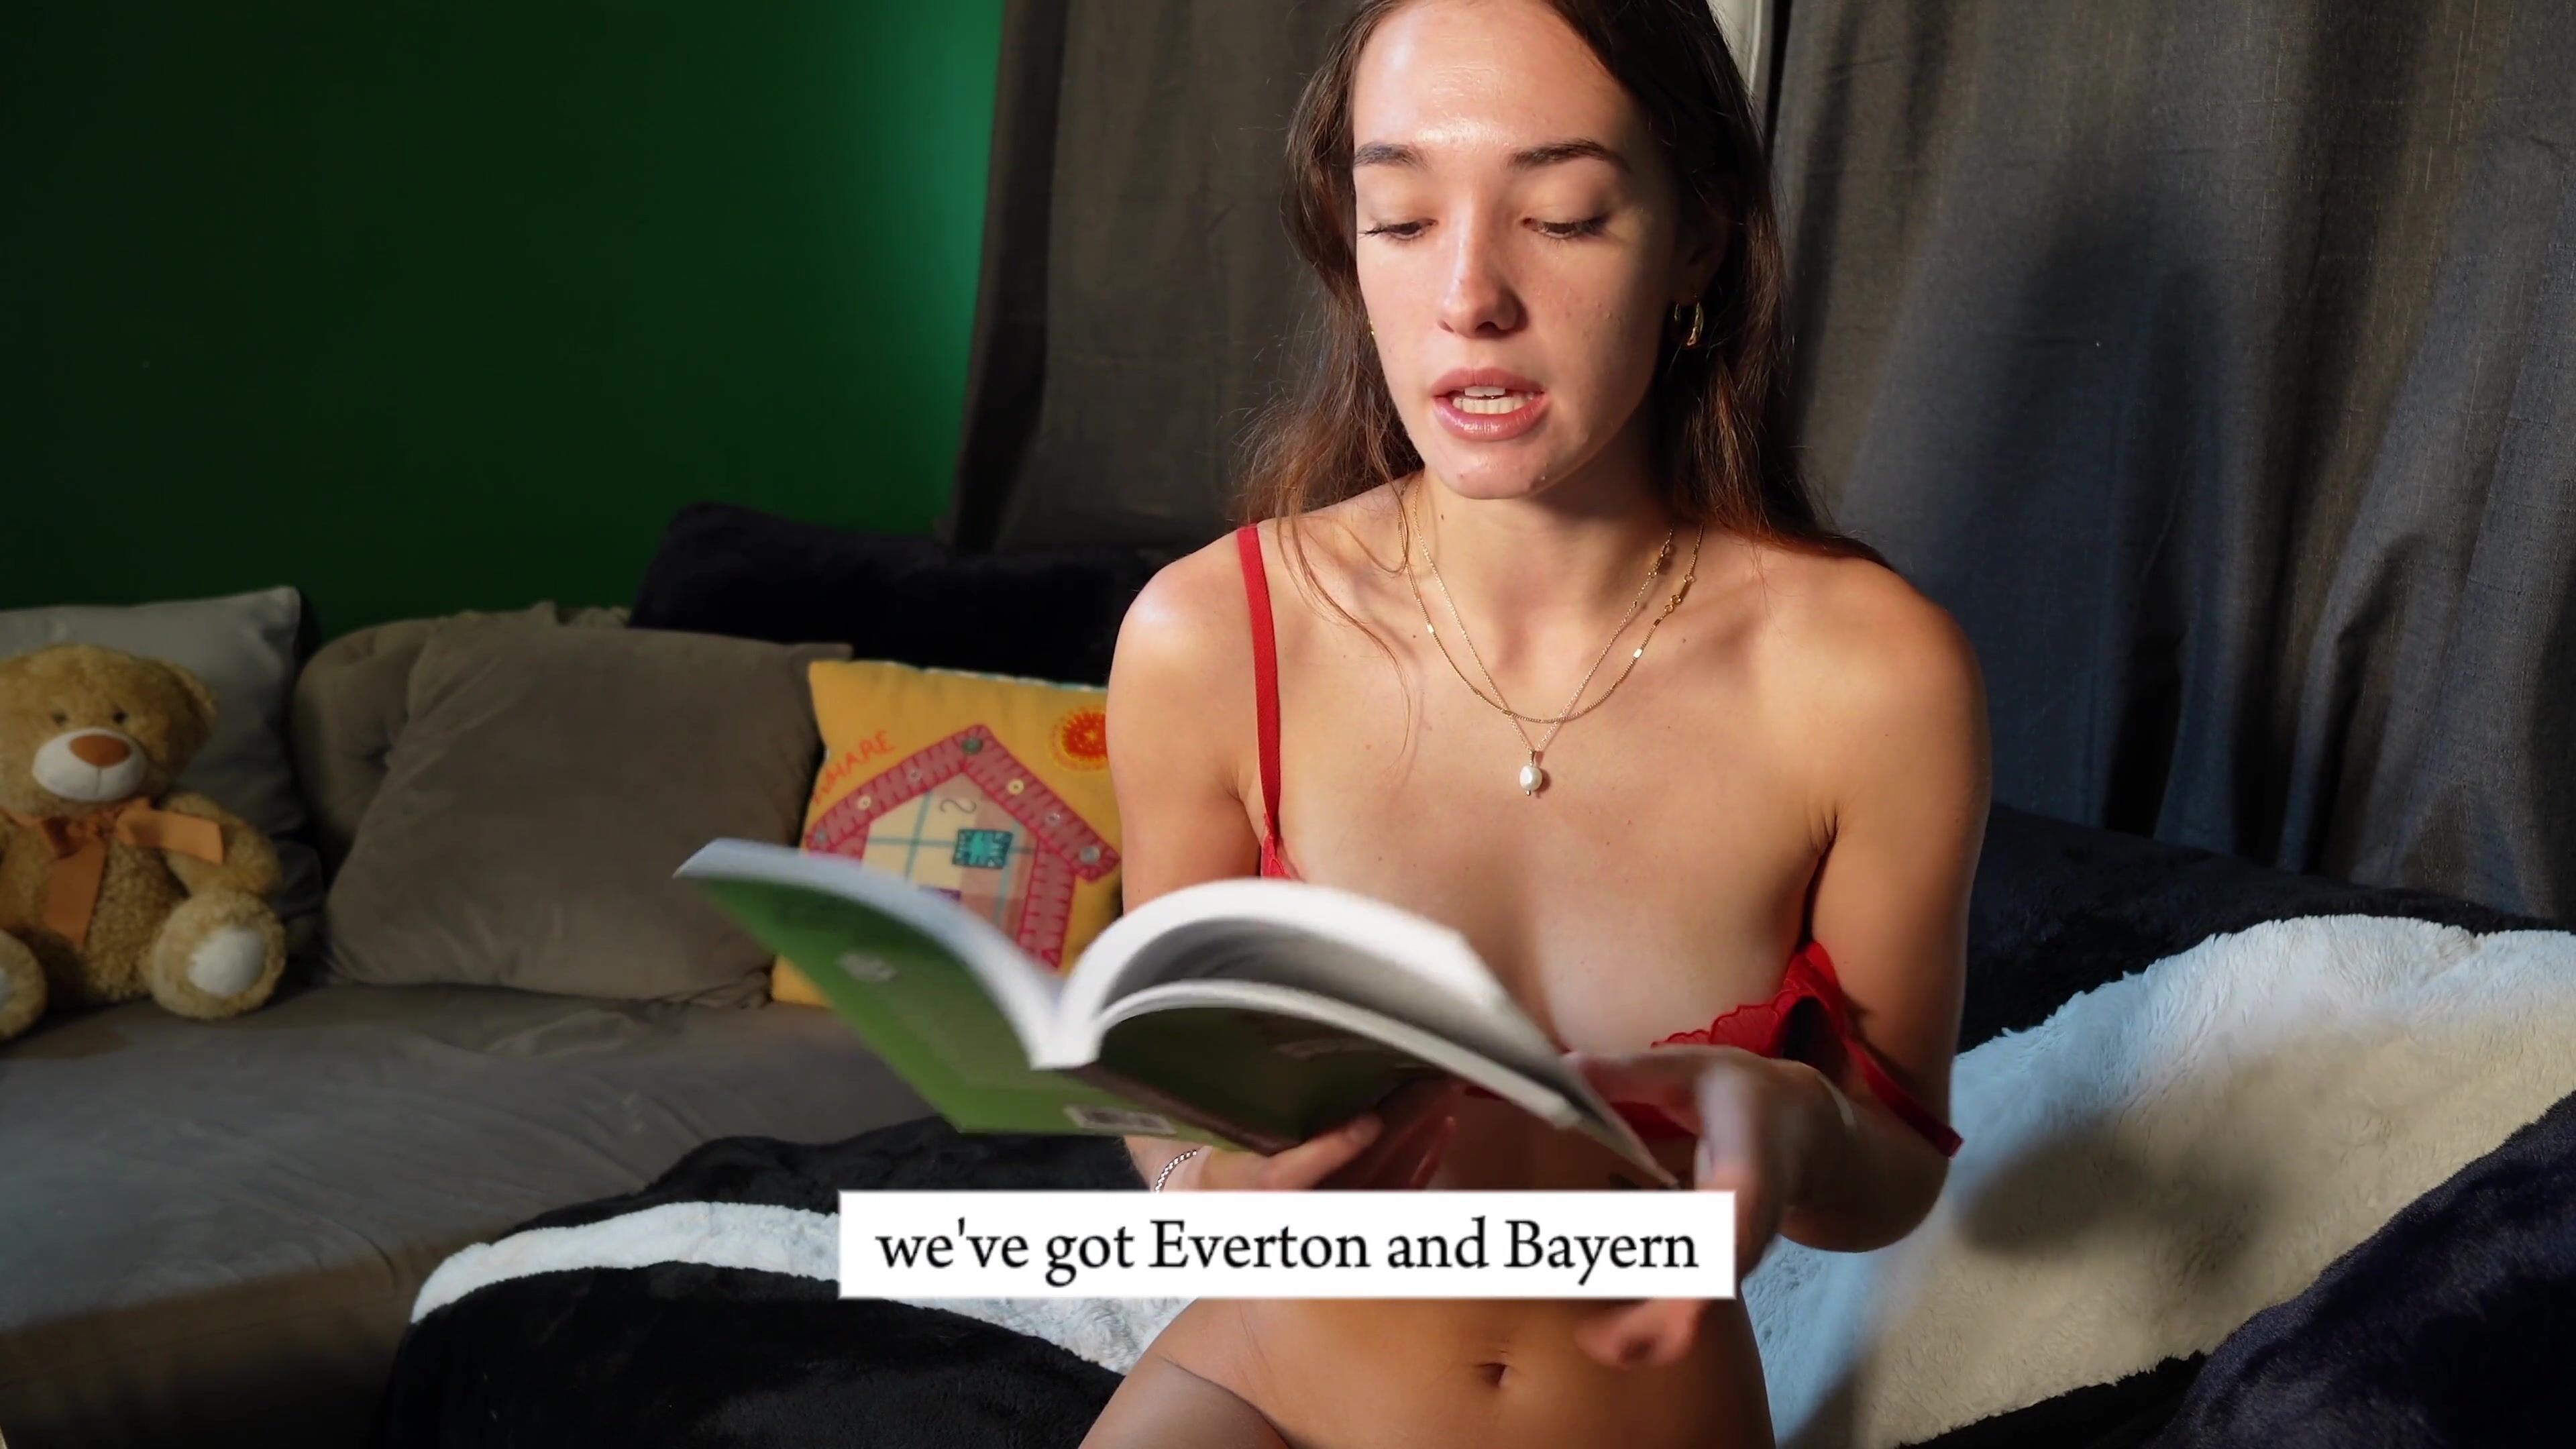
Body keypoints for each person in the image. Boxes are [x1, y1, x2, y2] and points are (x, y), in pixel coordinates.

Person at [1084, 1, 1990, 1443]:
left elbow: (1897, 1168)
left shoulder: (1873, 677)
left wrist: (1805, 1127)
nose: (1467, 297)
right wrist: (1209, 1189)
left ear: (1698, 238)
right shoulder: (1208, 638)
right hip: (1253, 1397)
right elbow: (1163, 1088)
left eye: (1562, 217)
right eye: (1400, 219)